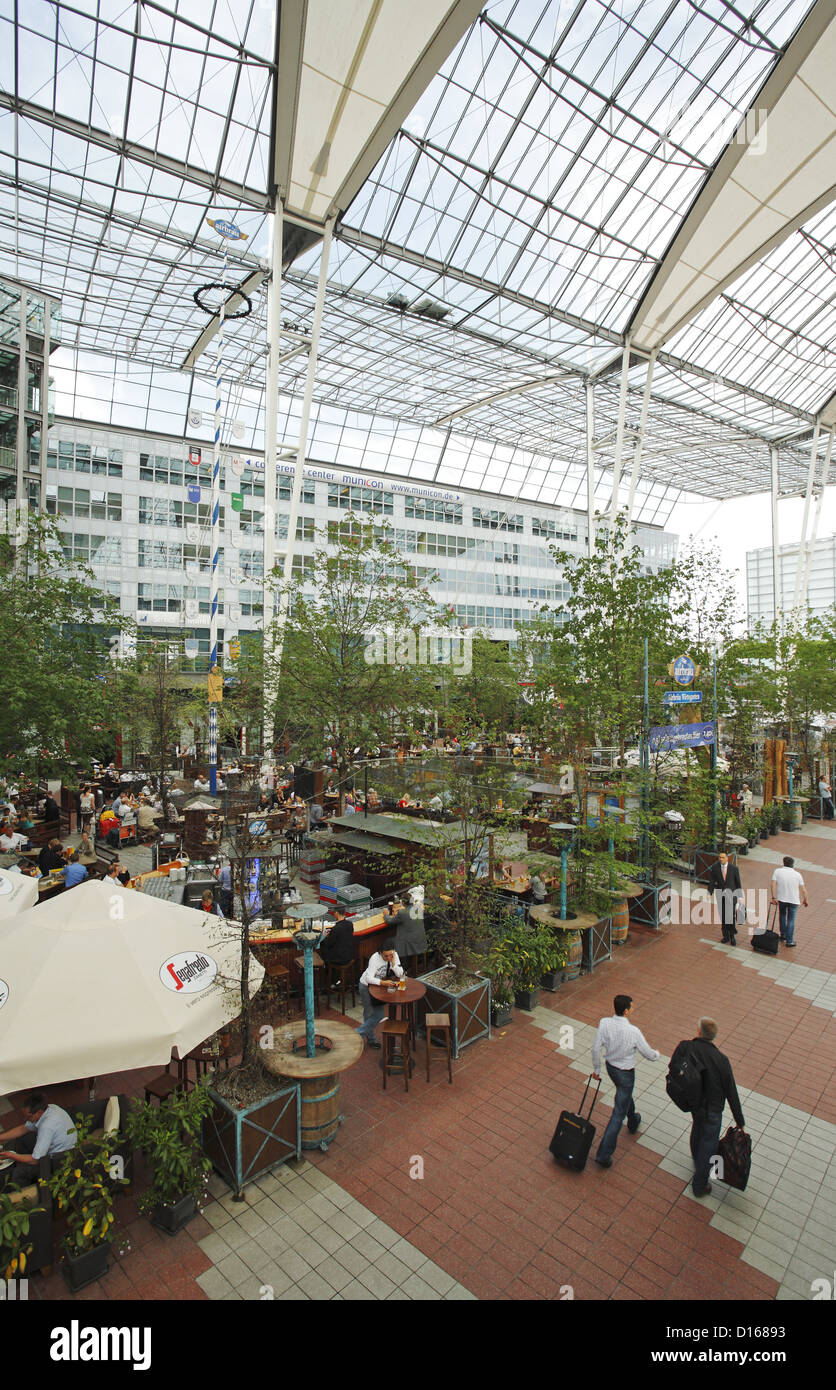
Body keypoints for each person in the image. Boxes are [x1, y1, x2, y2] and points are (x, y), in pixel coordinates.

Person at [671, 1017, 745, 1197]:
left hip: (694, 1103)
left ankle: (697, 1159)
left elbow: (674, 1067)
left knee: (697, 1129)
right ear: (714, 1037)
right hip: (713, 1108)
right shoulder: (721, 1060)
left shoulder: (686, 1046)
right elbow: (731, 1092)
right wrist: (739, 1119)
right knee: (709, 1144)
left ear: (699, 1032)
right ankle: (700, 1184)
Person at [591, 994, 660, 1168]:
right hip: (626, 1072)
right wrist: (657, 1055)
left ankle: (633, 1119)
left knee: (624, 1095)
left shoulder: (604, 1023)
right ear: (627, 1011)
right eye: (632, 1007)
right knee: (617, 1113)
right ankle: (603, 1154)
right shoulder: (633, 1032)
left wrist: (597, 1069)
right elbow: (648, 1054)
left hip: (610, 1068)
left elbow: (595, 1047)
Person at [0, 1092, 77, 1192]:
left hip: (59, 1161)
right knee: (23, 1139)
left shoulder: (47, 1126)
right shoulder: (51, 1108)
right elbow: (23, 1129)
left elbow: (35, 1159)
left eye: (29, 1116)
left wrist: (10, 1155)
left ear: (39, 1112)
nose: (25, 1119)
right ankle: (25, 1167)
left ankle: (21, 1194)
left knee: (19, 1173)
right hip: (54, 1148)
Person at [357, 942, 404, 1049]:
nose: (388, 957)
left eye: (390, 955)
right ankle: (365, 1037)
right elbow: (369, 978)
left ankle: (359, 1035)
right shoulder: (374, 958)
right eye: (385, 956)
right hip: (366, 986)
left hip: (377, 988)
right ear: (380, 953)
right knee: (369, 1014)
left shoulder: (394, 956)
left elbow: (400, 974)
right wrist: (384, 983)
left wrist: (393, 963)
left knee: (377, 1014)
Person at [770, 855, 808, 947]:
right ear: (792, 864)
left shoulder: (777, 871)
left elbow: (773, 885)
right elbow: (803, 890)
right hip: (794, 900)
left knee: (782, 916)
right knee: (791, 920)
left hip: (782, 899)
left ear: (784, 863)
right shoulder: (797, 874)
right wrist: (805, 900)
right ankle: (789, 941)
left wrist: (774, 897)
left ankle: (783, 935)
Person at [706, 851, 743, 945]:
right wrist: (709, 893)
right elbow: (712, 881)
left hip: (732, 895)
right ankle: (725, 936)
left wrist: (740, 896)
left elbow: (738, 882)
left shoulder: (734, 868)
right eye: (719, 857)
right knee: (723, 916)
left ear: (727, 858)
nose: (721, 859)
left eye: (723, 857)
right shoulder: (715, 868)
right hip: (720, 895)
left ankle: (732, 936)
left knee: (730, 916)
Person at [385, 893, 427, 961]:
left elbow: (389, 921)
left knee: (388, 941)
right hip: (421, 941)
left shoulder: (402, 913)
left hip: (409, 943)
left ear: (403, 903)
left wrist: (386, 914)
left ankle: (398, 965)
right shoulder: (419, 909)